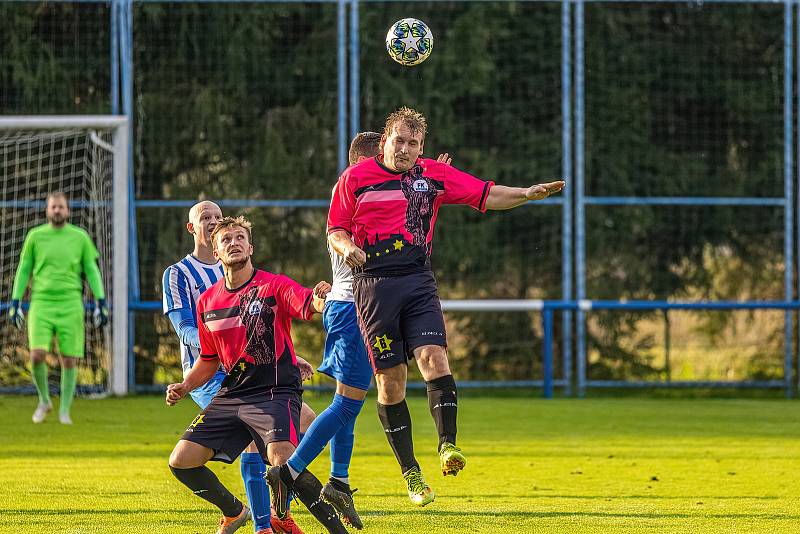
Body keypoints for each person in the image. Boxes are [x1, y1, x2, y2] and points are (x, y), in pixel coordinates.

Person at [326, 107, 564, 506]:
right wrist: (347, 246)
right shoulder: (354, 179)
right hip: (373, 287)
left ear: (421, 148)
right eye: (398, 141)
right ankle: (411, 474)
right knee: (390, 383)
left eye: (412, 144)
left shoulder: (433, 175)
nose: (404, 149)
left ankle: (447, 446)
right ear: (383, 141)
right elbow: (335, 227)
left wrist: (525, 194)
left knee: (435, 358)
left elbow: (485, 194)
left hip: (417, 281)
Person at [271, 132, 455, 528]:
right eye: (386, 159)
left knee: (351, 405)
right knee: (348, 403)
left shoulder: (369, 193)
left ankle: (338, 480)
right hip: (354, 308)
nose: (396, 166)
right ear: (364, 164)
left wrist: (432, 182)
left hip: (366, 303)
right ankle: (289, 470)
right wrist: (427, 189)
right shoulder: (358, 192)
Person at [166, 215, 348, 534]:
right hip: (232, 394)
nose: (234, 242)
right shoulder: (208, 302)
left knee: (282, 461)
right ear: (216, 252)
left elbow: (306, 302)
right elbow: (209, 359)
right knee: (181, 461)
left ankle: (334, 529)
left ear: (250, 247)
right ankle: (236, 511)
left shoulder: (271, 285)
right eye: (226, 240)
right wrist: (185, 385)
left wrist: (320, 300)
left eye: (240, 238)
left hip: (275, 392)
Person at [9, 191, 108, 425]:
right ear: (47, 210)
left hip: (71, 302)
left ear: (68, 210)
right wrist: (15, 301)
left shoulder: (80, 237)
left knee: (70, 359)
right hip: (41, 302)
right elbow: (24, 269)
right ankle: (44, 400)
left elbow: (91, 269)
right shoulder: (35, 236)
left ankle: (64, 410)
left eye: (61, 207)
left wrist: (100, 301)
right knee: (36, 355)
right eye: (53, 207)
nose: (57, 211)